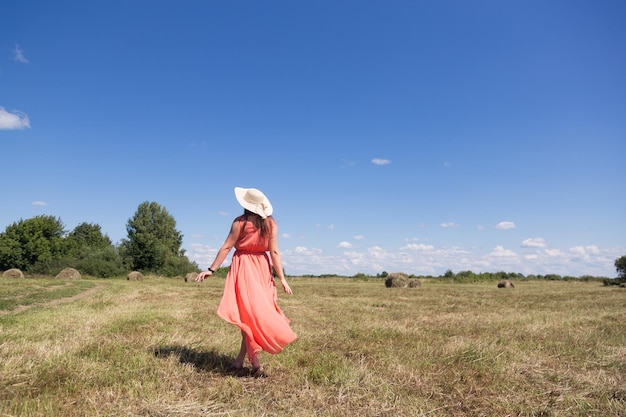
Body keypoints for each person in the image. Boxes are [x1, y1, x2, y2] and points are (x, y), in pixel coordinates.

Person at [196, 187, 297, 377]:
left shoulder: (240, 223)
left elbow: (227, 247)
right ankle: (244, 360)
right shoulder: (271, 224)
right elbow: (274, 252)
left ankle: (248, 360)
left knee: (248, 316)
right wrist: (281, 277)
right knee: (251, 315)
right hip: (262, 267)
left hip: (243, 265)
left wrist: (211, 269)